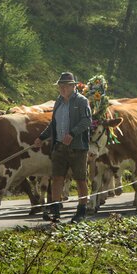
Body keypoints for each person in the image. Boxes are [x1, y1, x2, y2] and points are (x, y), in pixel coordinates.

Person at [34, 72, 92, 223]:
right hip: (59, 146)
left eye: (66, 85)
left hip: (77, 148)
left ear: (73, 86)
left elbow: (86, 121)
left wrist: (72, 134)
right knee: (57, 177)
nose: (62, 88)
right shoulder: (59, 102)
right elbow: (53, 124)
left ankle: (81, 210)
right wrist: (41, 137)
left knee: (80, 179)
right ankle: (55, 210)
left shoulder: (81, 101)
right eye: (60, 86)